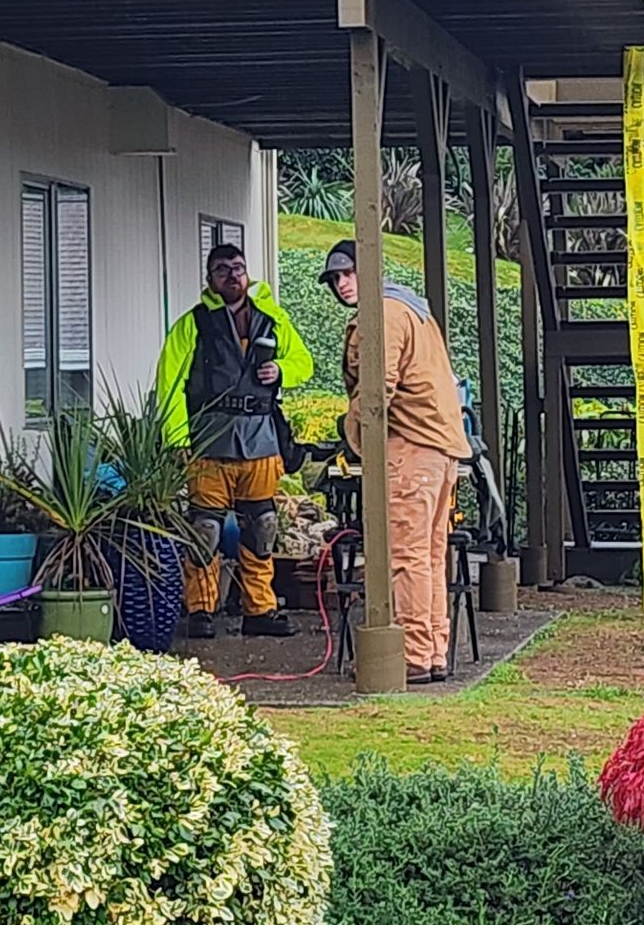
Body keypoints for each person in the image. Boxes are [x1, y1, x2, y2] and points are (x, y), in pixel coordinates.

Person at [321, 239, 466, 687]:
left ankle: (413, 656)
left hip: (411, 447)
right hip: (440, 450)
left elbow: (375, 392)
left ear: (369, 270)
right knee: (429, 556)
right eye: (334, 279)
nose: (341, 284)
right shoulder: (413, 309)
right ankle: (433, 650)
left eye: (347, 273)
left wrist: (358, 442)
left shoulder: (382, 313)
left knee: (405, 556)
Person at [157, 242, 315, 639]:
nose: (232, 275)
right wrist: (177, 438)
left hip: (261, 436)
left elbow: (304, 363)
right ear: (210, 279)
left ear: (248, 274)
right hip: (209, 437)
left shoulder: (272, 319)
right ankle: (201, 610)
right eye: (222, 269)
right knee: (204, 529)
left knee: (261, 525)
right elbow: (169, 384)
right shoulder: (192, 324)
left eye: (239, 268)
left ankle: (259, 610)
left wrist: (280, 370)